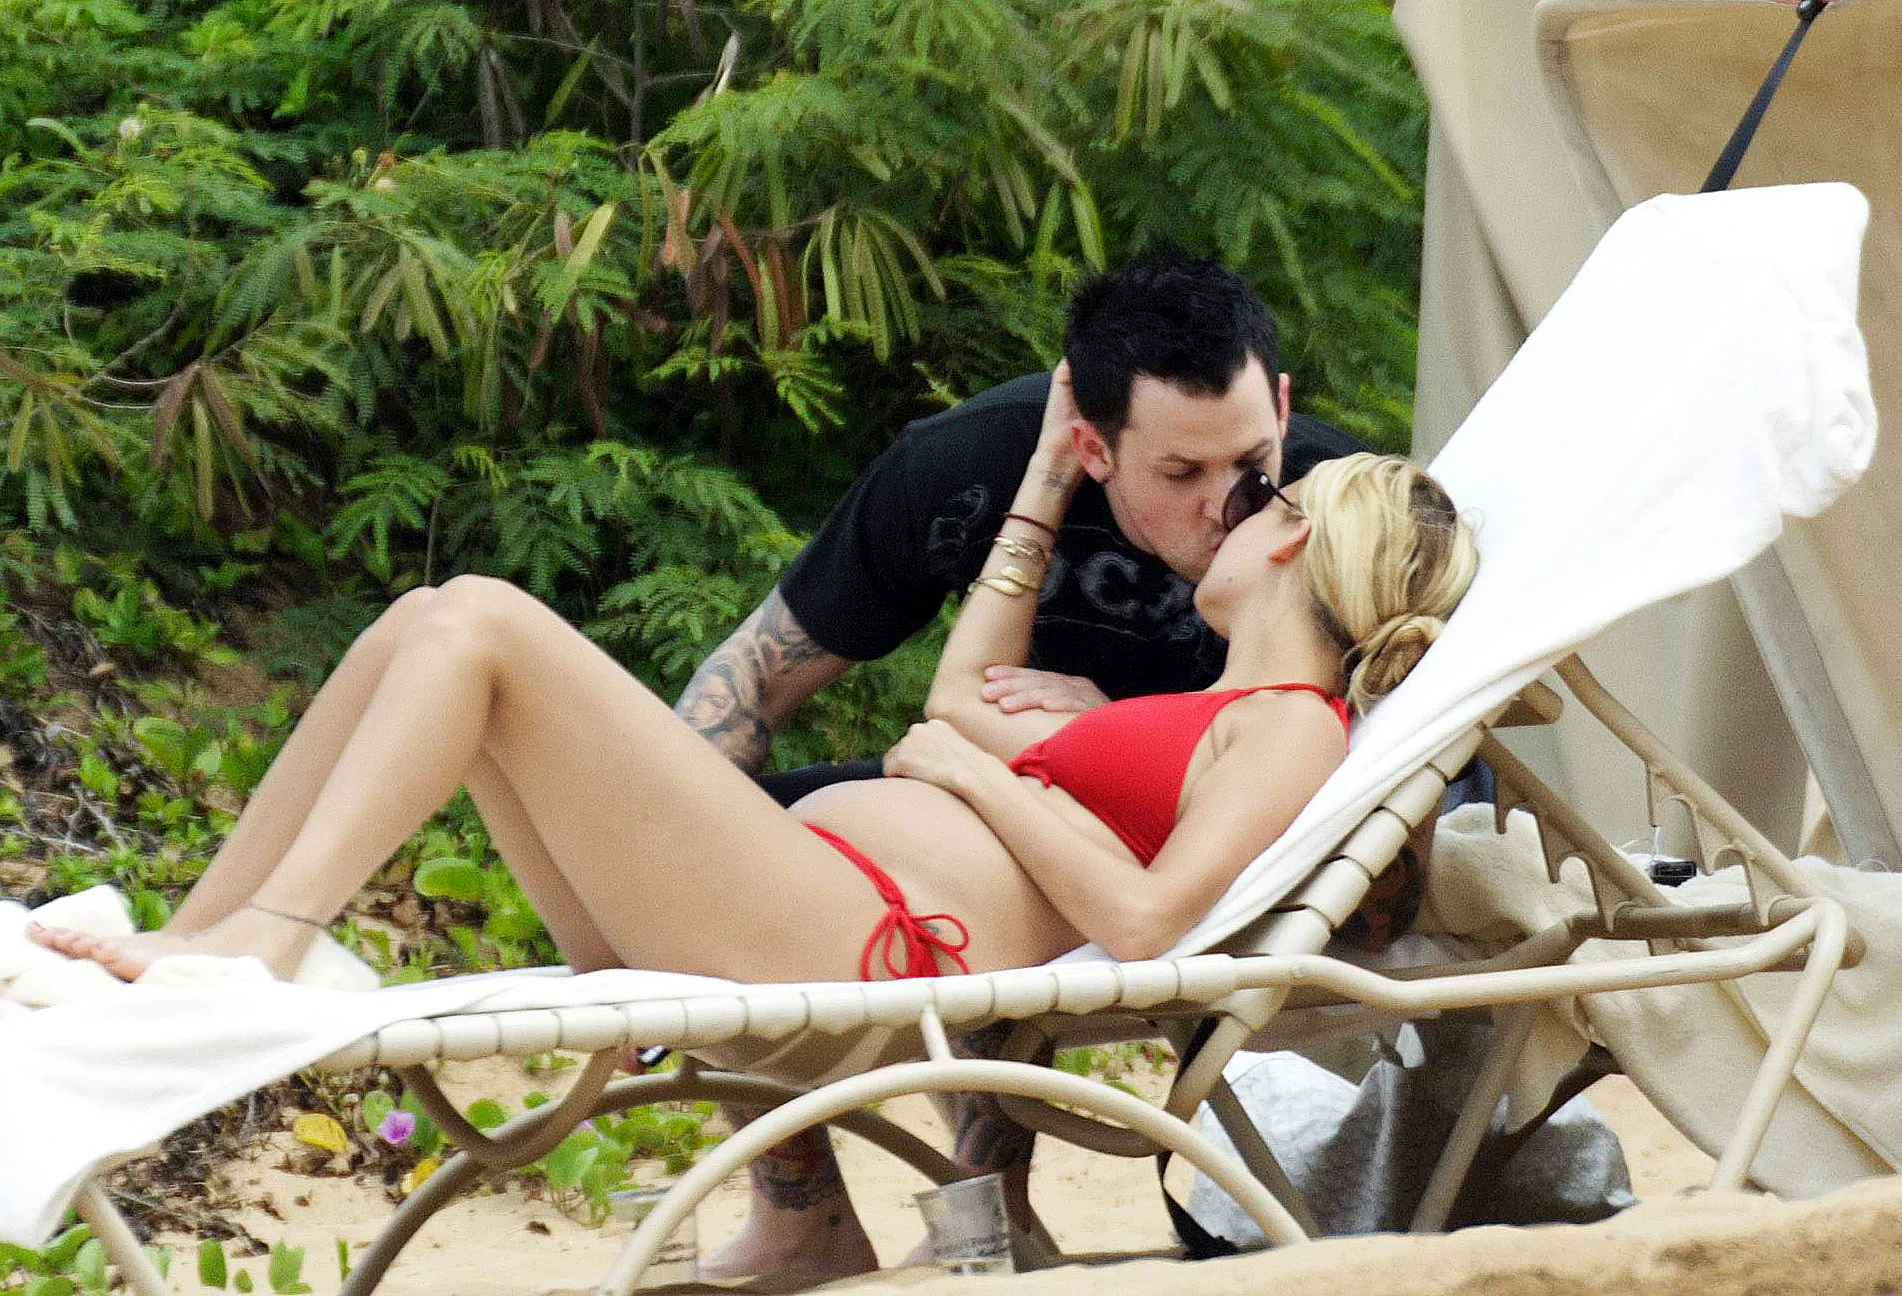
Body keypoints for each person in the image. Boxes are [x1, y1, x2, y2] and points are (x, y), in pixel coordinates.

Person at [28, 366, 1477, 1273]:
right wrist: (1047, 478)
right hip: (804, 902)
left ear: (1294, 534)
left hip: (860, 944)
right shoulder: (1209, 705)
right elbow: (959, 697)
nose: (1225, 513)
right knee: (430, 618)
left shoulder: (1292, 720)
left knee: (482, 623)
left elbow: (1150, 921)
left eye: (1254, 498)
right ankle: (217, 932)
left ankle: (263, 941)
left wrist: (975, 777)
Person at [677, 246, 1368, 1279]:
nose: (1228, 504)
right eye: (1180, 474)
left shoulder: (1322, 511)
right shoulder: (969, 463)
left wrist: (1119, 726)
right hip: (1025, 776)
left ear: (1281, 402)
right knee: (710, 828)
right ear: (1092, 444)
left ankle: (986, 1208)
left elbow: (1351, 735)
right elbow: (754, 679)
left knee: (988, 855)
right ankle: (800, 1209)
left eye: (1252, 462)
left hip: (1162, 835)